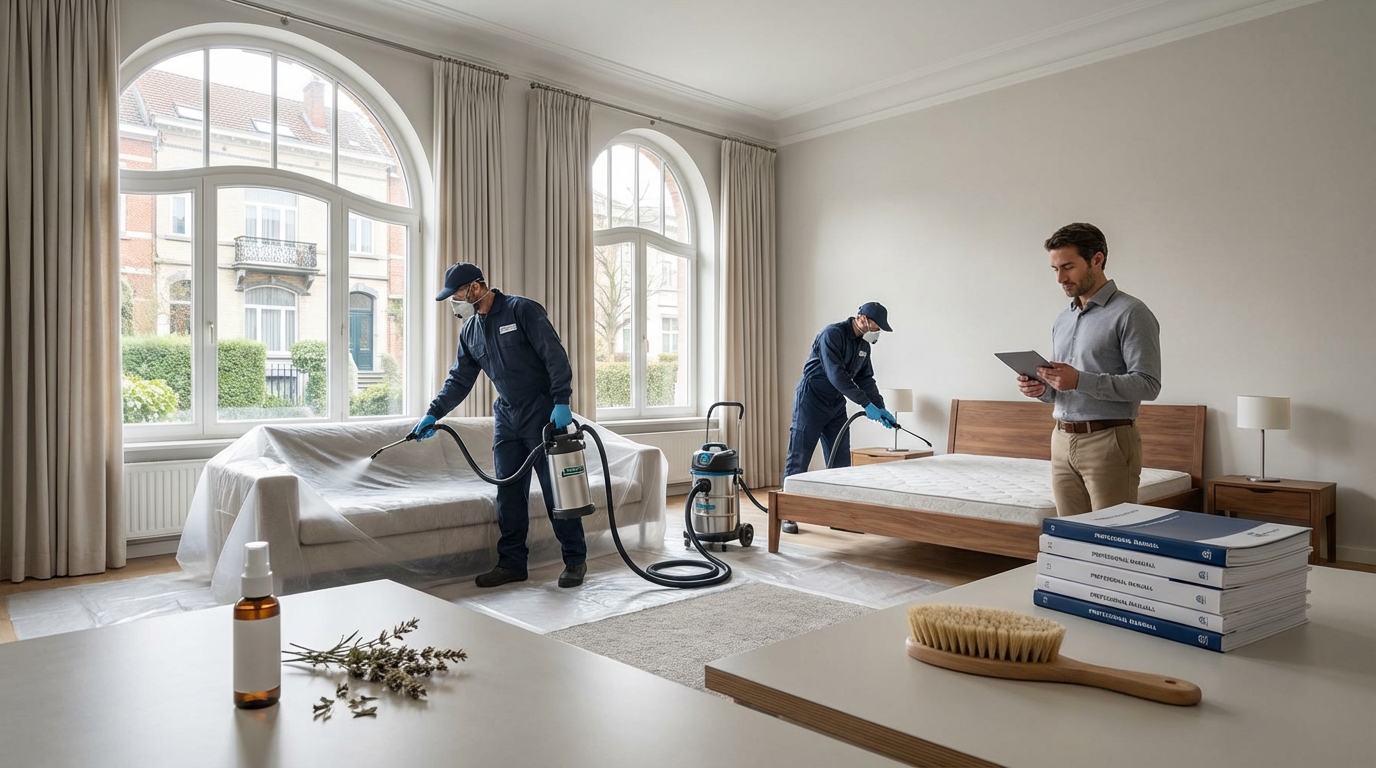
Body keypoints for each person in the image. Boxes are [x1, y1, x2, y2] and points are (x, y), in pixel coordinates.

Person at [412, 262, 587, 588]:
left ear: (475, 288)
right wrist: (434, 413)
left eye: (457, 294)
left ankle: (575, 560)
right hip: (507, 416)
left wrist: (562, 400)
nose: (455, 302)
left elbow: (555, 355)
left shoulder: (522, 311)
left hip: (543, 411)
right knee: (508, 492)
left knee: (555, 492)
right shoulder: (470, 331)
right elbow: (459, 380)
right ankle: (511, 564)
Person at [1017, 223, 1161, 516]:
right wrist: (1043, 389)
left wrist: (1080, 380)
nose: (1060, 278)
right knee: (1069, 541)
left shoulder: (1132, 312)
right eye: (1055, 269)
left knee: (1111, 540)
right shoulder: (1063, 318)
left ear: (1097, 259)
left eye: (1068, 266)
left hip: (1108, 441)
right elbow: (1066, 387)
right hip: (1061, 439)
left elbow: (1148, 384)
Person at [781, 302, 897, 534]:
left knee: (840, 461)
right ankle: (788, 514)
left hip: (835, 404)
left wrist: (880, 407)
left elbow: (866, 380)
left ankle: (839, 516)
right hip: (811, 400)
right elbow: (837, 375)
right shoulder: (832, 335)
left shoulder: (863, 347)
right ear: (862, 319)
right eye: (876, 325)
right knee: (799, 457)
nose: (878, 331)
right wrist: (865, 404)